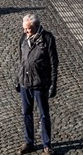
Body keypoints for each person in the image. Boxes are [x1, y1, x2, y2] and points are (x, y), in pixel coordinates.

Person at [16, 13, 58, 155]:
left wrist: (53, 83)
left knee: (43, 114)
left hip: (40, 83)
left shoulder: (47, 39)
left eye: (27, 29)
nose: (25, 31)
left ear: (36, 26)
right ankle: (29, 142)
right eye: (24, 28)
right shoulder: (23, 38)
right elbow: (21, 60)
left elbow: (54, 63)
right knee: (26, 113)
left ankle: (47, 145)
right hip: (25, 83)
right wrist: (18, 78)